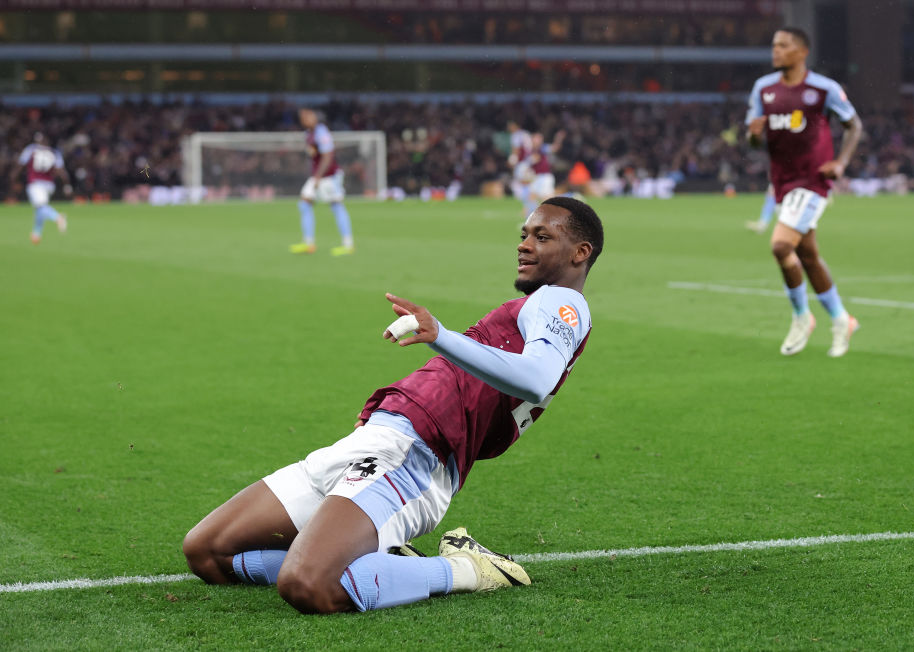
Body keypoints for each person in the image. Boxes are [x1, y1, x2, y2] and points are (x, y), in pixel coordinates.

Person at [183, 196, 604, 614]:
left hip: (415, 456)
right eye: (525, 234)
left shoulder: (560, 302)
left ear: (580, 253)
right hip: (378, 437)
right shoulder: (538, 306)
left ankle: (465, 569)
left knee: (307, 583)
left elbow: (536, 379)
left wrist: (439, 334)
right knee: (206, 552)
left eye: (542, 236)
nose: (524, 244)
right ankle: (381, 563)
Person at [745, 27, 863, 358]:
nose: (775, 51)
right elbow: (756, 140)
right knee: (808, 255)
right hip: (783, 181)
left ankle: (801, 316)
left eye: (783, 46)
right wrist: (755, 134)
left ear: (801, 52)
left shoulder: (823, 89)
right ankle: (842, 320)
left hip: (813, 181)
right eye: (774, 46)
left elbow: (854, 125)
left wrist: (840, 162)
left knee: (781, 245)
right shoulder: (763, 89)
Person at [290, 108, 355, 256]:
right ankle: (309, 243)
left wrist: (318, 177)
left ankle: (348, 244)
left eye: (308, 116)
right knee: (304, 203)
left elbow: (328, 156)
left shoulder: (321, 132)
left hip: (329, 176)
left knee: (336, 205)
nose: (306, 119)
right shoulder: (308, 134)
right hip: (318, 175)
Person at [15, 133, 69, 245]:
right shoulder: (54, 152)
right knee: (39, 208)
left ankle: (58, 217)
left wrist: (15, 179)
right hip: (49, 185)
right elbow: (61, 171)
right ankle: (36, 234)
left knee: (41, 207)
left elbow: (20, 164)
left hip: (35, 183)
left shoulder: (31, 149)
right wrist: (67, 185)